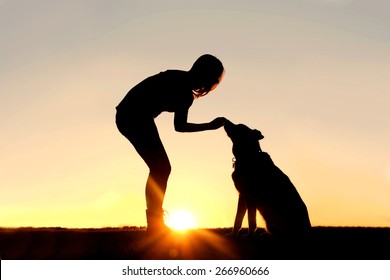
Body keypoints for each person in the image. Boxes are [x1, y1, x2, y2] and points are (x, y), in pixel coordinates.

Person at [115, 54, 226, 234]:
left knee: (160, 168)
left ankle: (155, 221)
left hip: (130, 114)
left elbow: (177, 125)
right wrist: (210, 126)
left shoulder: (178, 78)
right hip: (134, 115)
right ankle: (155, 223)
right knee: (161, 168)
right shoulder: (184, 91)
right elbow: (180, 127)